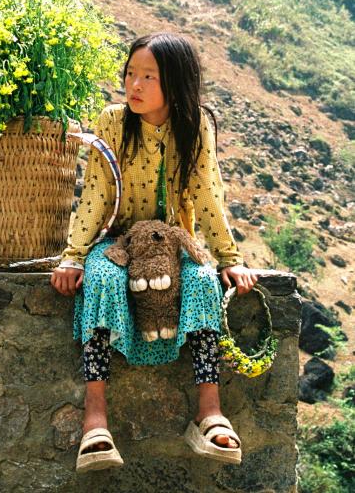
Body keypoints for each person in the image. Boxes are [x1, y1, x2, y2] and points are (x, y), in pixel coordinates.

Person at [51, 32, 258, 472]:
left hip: (172, 239)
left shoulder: (195, 124)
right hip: (117, 240)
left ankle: (208, 410)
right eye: (130, 74)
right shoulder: (112, 120)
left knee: (202, 281)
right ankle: (95, 417)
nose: (134, 86)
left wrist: (229, 259)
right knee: (103, 281)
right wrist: (73, 255)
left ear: (175, 83)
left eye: (149, 77)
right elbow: (95, 194)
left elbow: (206, 194)